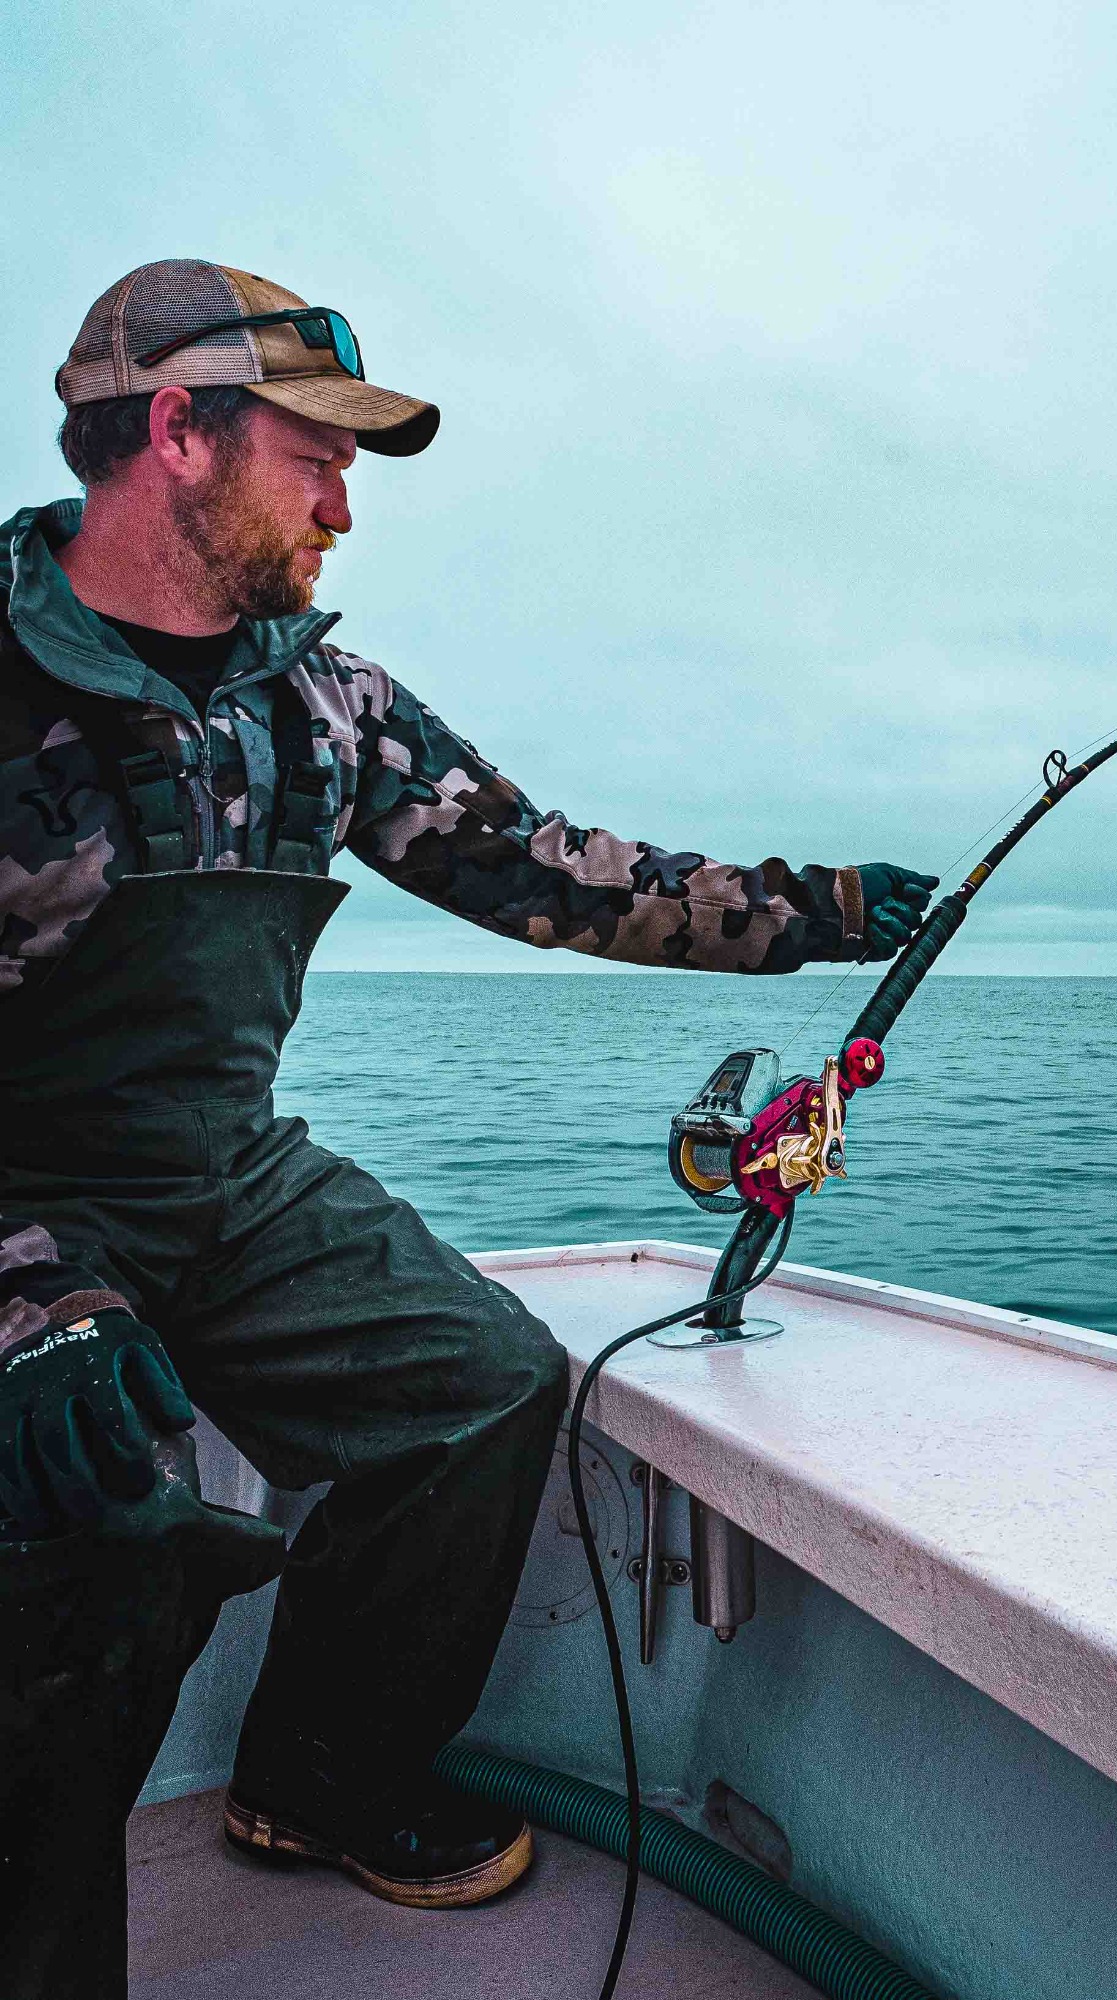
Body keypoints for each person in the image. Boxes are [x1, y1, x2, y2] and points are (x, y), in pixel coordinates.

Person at [0, 259, 937, 1999]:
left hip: (227, 1174)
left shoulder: (322, 701)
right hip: (24, 1209)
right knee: (88, 1544)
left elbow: (549, 872)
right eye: (316, 458)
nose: (347, 507)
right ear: (182, 434)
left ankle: (319, 1778)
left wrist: (815, 907)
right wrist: (27, 1299)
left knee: (484, 1384)